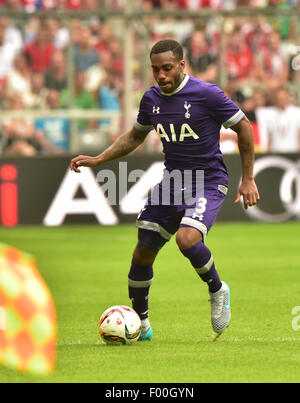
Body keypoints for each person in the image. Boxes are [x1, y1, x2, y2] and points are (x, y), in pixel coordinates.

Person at [70, 40, 260, 341]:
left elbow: (244, 127)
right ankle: (142, 326)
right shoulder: (151, 99)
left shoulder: (206, 94)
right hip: (172, 182)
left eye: (167, 68)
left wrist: (247, 178)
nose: (161, 75)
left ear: (182, 65)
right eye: (155, 69)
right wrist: (99, 158)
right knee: (143, 251)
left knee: (187, 239)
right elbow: (135, 136)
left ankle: (217, 289)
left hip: (208, 179)